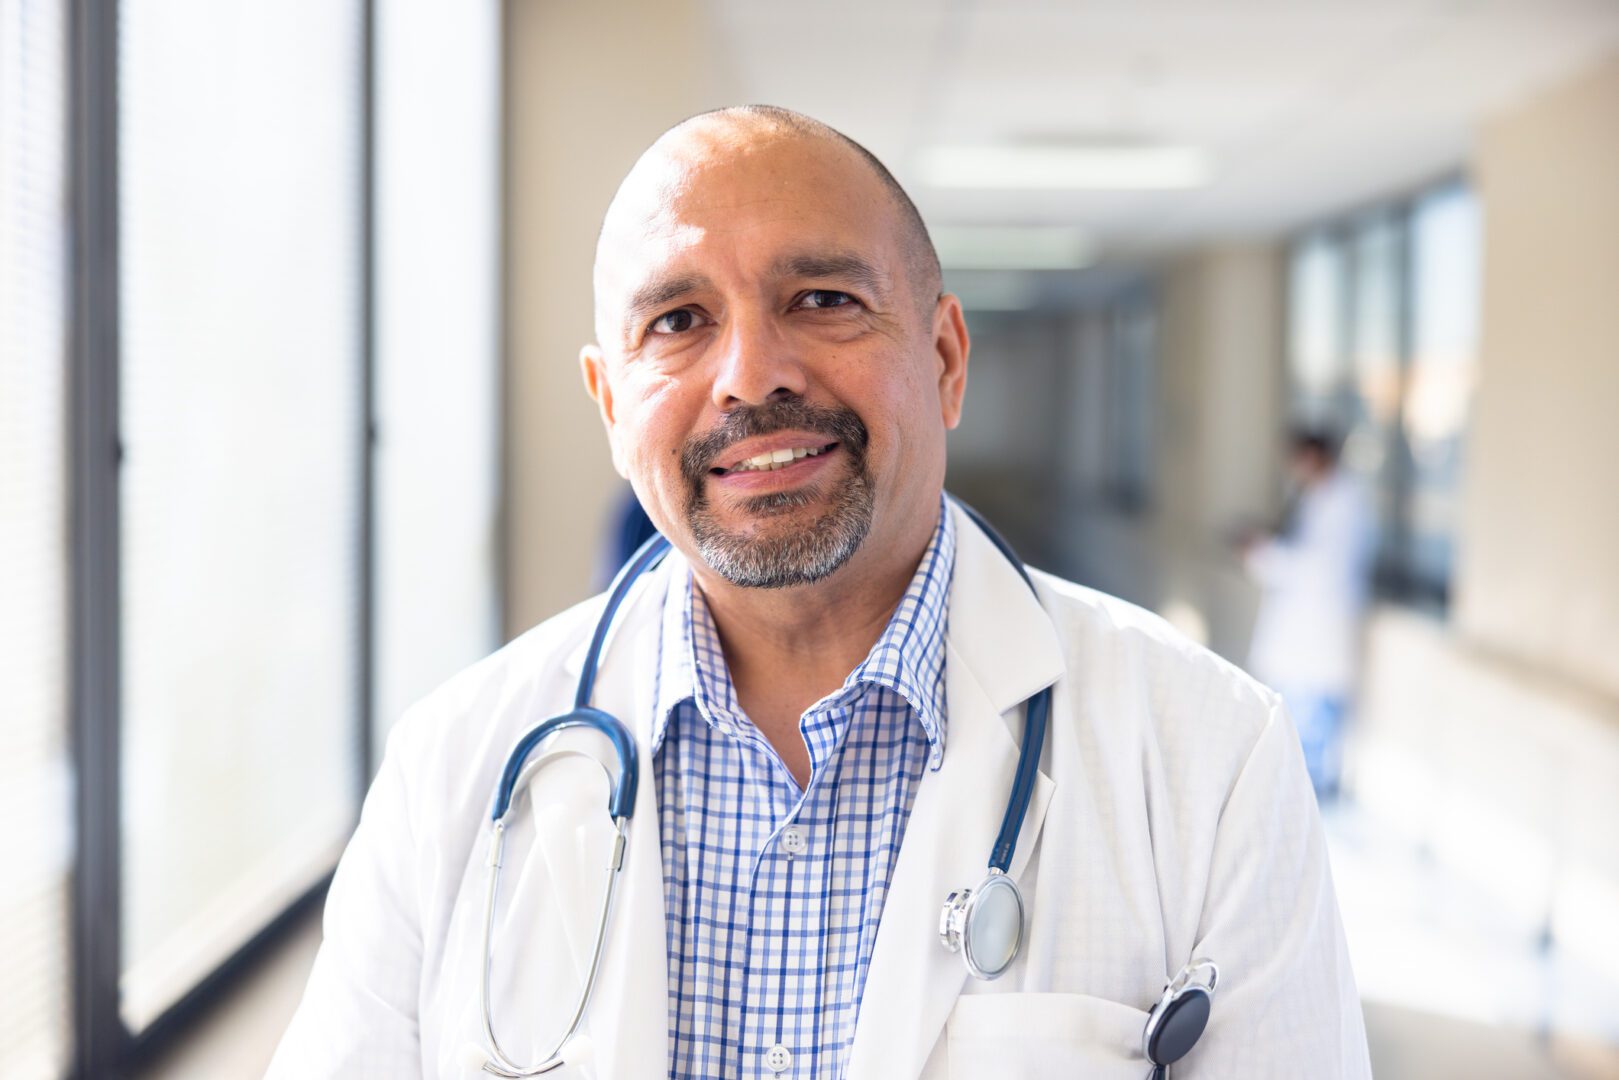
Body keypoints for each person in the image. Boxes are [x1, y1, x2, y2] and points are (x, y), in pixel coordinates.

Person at [269, 106, 1371, 1078]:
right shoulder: (450, 770)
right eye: (678, 321)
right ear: (611, 404)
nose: (752, 374)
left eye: (822, 298)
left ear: (943, 358)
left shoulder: (1211, 757)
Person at [1243, 429, 1376, 800]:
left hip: (1319, 636)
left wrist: (1268, 555)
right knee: (1291, 728)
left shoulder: (1346, 503)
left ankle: (1310, 798)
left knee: (1312, 735)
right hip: (1300, 637)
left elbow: (1320, 568)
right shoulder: (1314, 497)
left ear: (1315, 457)